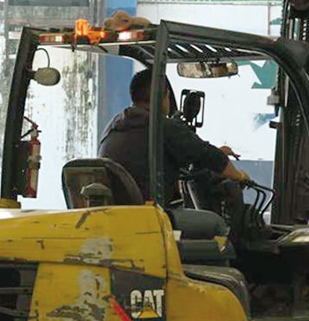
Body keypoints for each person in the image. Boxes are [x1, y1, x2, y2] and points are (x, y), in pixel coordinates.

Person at [99, 67, 249, 239]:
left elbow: (148, 156)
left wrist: (217, 151)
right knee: (217, 225)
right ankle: (226, 264)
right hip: (150, 218)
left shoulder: (114, 126)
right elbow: (212, 159)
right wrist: (240, 176)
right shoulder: (163, 126)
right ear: (163, 97)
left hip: (116, 218)